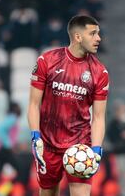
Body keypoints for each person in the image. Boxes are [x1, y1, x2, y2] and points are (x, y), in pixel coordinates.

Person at [28, 15, 109, 196]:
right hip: (48, 144)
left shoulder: (99, 72)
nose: (99, 38)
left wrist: (96, 149)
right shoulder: (47, 61)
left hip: (80, 145)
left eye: (98, 34)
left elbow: (98, 117)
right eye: (93, 34)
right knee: (48, 192)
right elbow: (33, 104)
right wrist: (35, 136)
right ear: (78, 37)